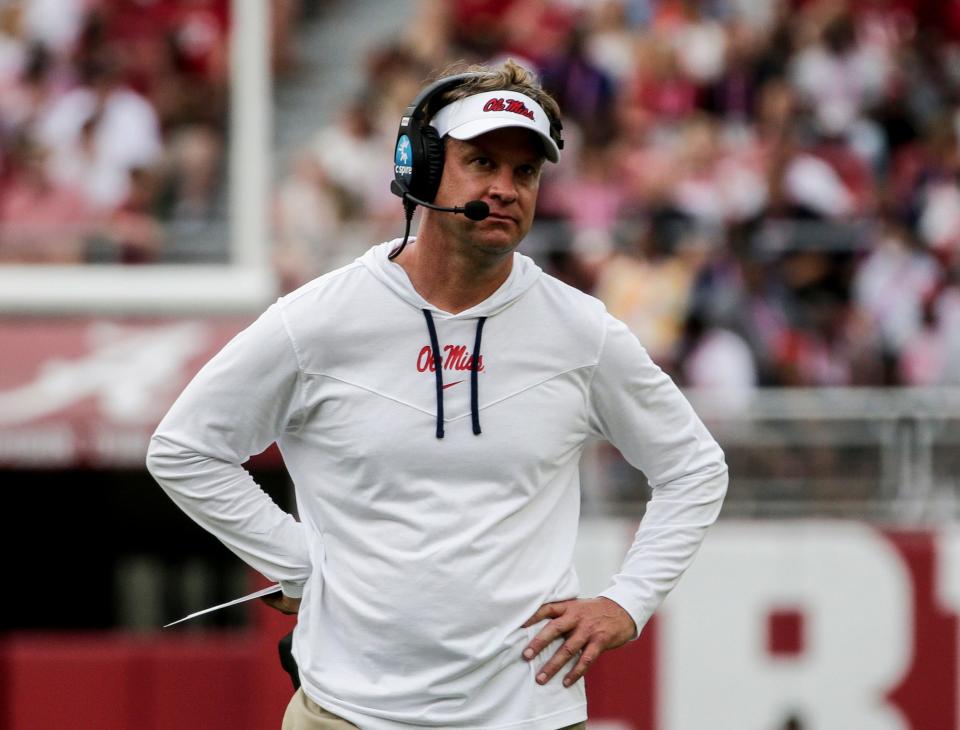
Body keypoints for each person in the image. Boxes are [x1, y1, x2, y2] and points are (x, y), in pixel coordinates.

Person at [147, 59, 728, 730]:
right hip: (346, 712)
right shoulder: (319, 320)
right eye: (482, 162)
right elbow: (185, 449)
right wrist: (300, 562)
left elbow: (693, 467)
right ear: (421, 167)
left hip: (528, 714)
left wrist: (628, 601)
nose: (507, 189)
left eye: (526, 172)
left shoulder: (581, 331)